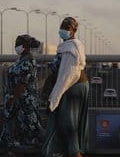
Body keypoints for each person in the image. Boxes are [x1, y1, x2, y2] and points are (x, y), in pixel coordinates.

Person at [42, 17, 88, 157]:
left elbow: (68, 74)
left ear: (73, 30)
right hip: (78, 85)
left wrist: (55, 96)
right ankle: (73, 151)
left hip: (72, 87)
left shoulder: (69, 48)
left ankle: (75, 153)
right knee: (71, 123)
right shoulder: (73, 45)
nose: (63, 30)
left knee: (69, 124)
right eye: (62, 27)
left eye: (66, 28)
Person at [0, 34, 44, 156]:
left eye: (17, 44)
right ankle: (13, 150)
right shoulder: (20, 59)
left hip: (24, 100)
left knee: (29, 126)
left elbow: (22, 83)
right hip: (16, 99)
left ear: (24, 46)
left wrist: (13, 98)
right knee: (13, 126)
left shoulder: (29, 60)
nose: (15, 47)